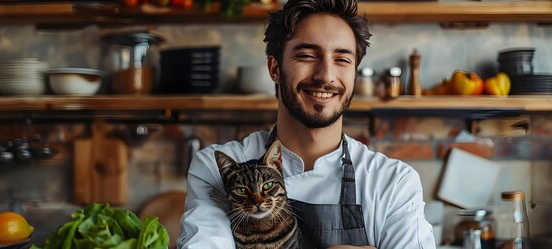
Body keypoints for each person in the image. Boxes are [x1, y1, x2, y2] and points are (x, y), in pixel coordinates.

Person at [178, 0, 436, 248]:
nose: (326, 74)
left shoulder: (392, 183)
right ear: (275, 69)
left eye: (342, 59)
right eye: (307, 55)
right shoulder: (216, 169)